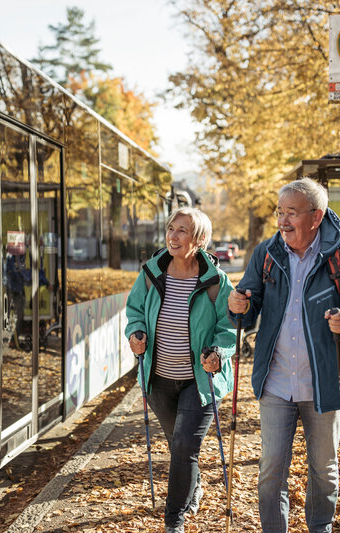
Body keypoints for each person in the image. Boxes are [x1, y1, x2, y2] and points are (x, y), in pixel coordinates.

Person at [227, 178, 340, 533]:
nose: (282, 220)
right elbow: (245, 311)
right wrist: (239, 306)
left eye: (291, 213)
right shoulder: (267, 254)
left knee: (323, 470)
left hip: (325, 382)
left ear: (316, 216)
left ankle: (320, 527)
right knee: (270, 471)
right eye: (279, 212)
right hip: (277, 381)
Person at [125, 207, 236, 533]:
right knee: (179, 445)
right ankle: (194, 484)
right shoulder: (151, 273)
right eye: (171, 229)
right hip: (158, 380)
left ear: (199, 239)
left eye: (182, 231)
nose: (173, 236)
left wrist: (218, 352)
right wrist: (135, 334)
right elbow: (134, 311)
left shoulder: (216, 282)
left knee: (186, 448)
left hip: (198, 382)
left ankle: (175, 520)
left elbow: (228, 327)